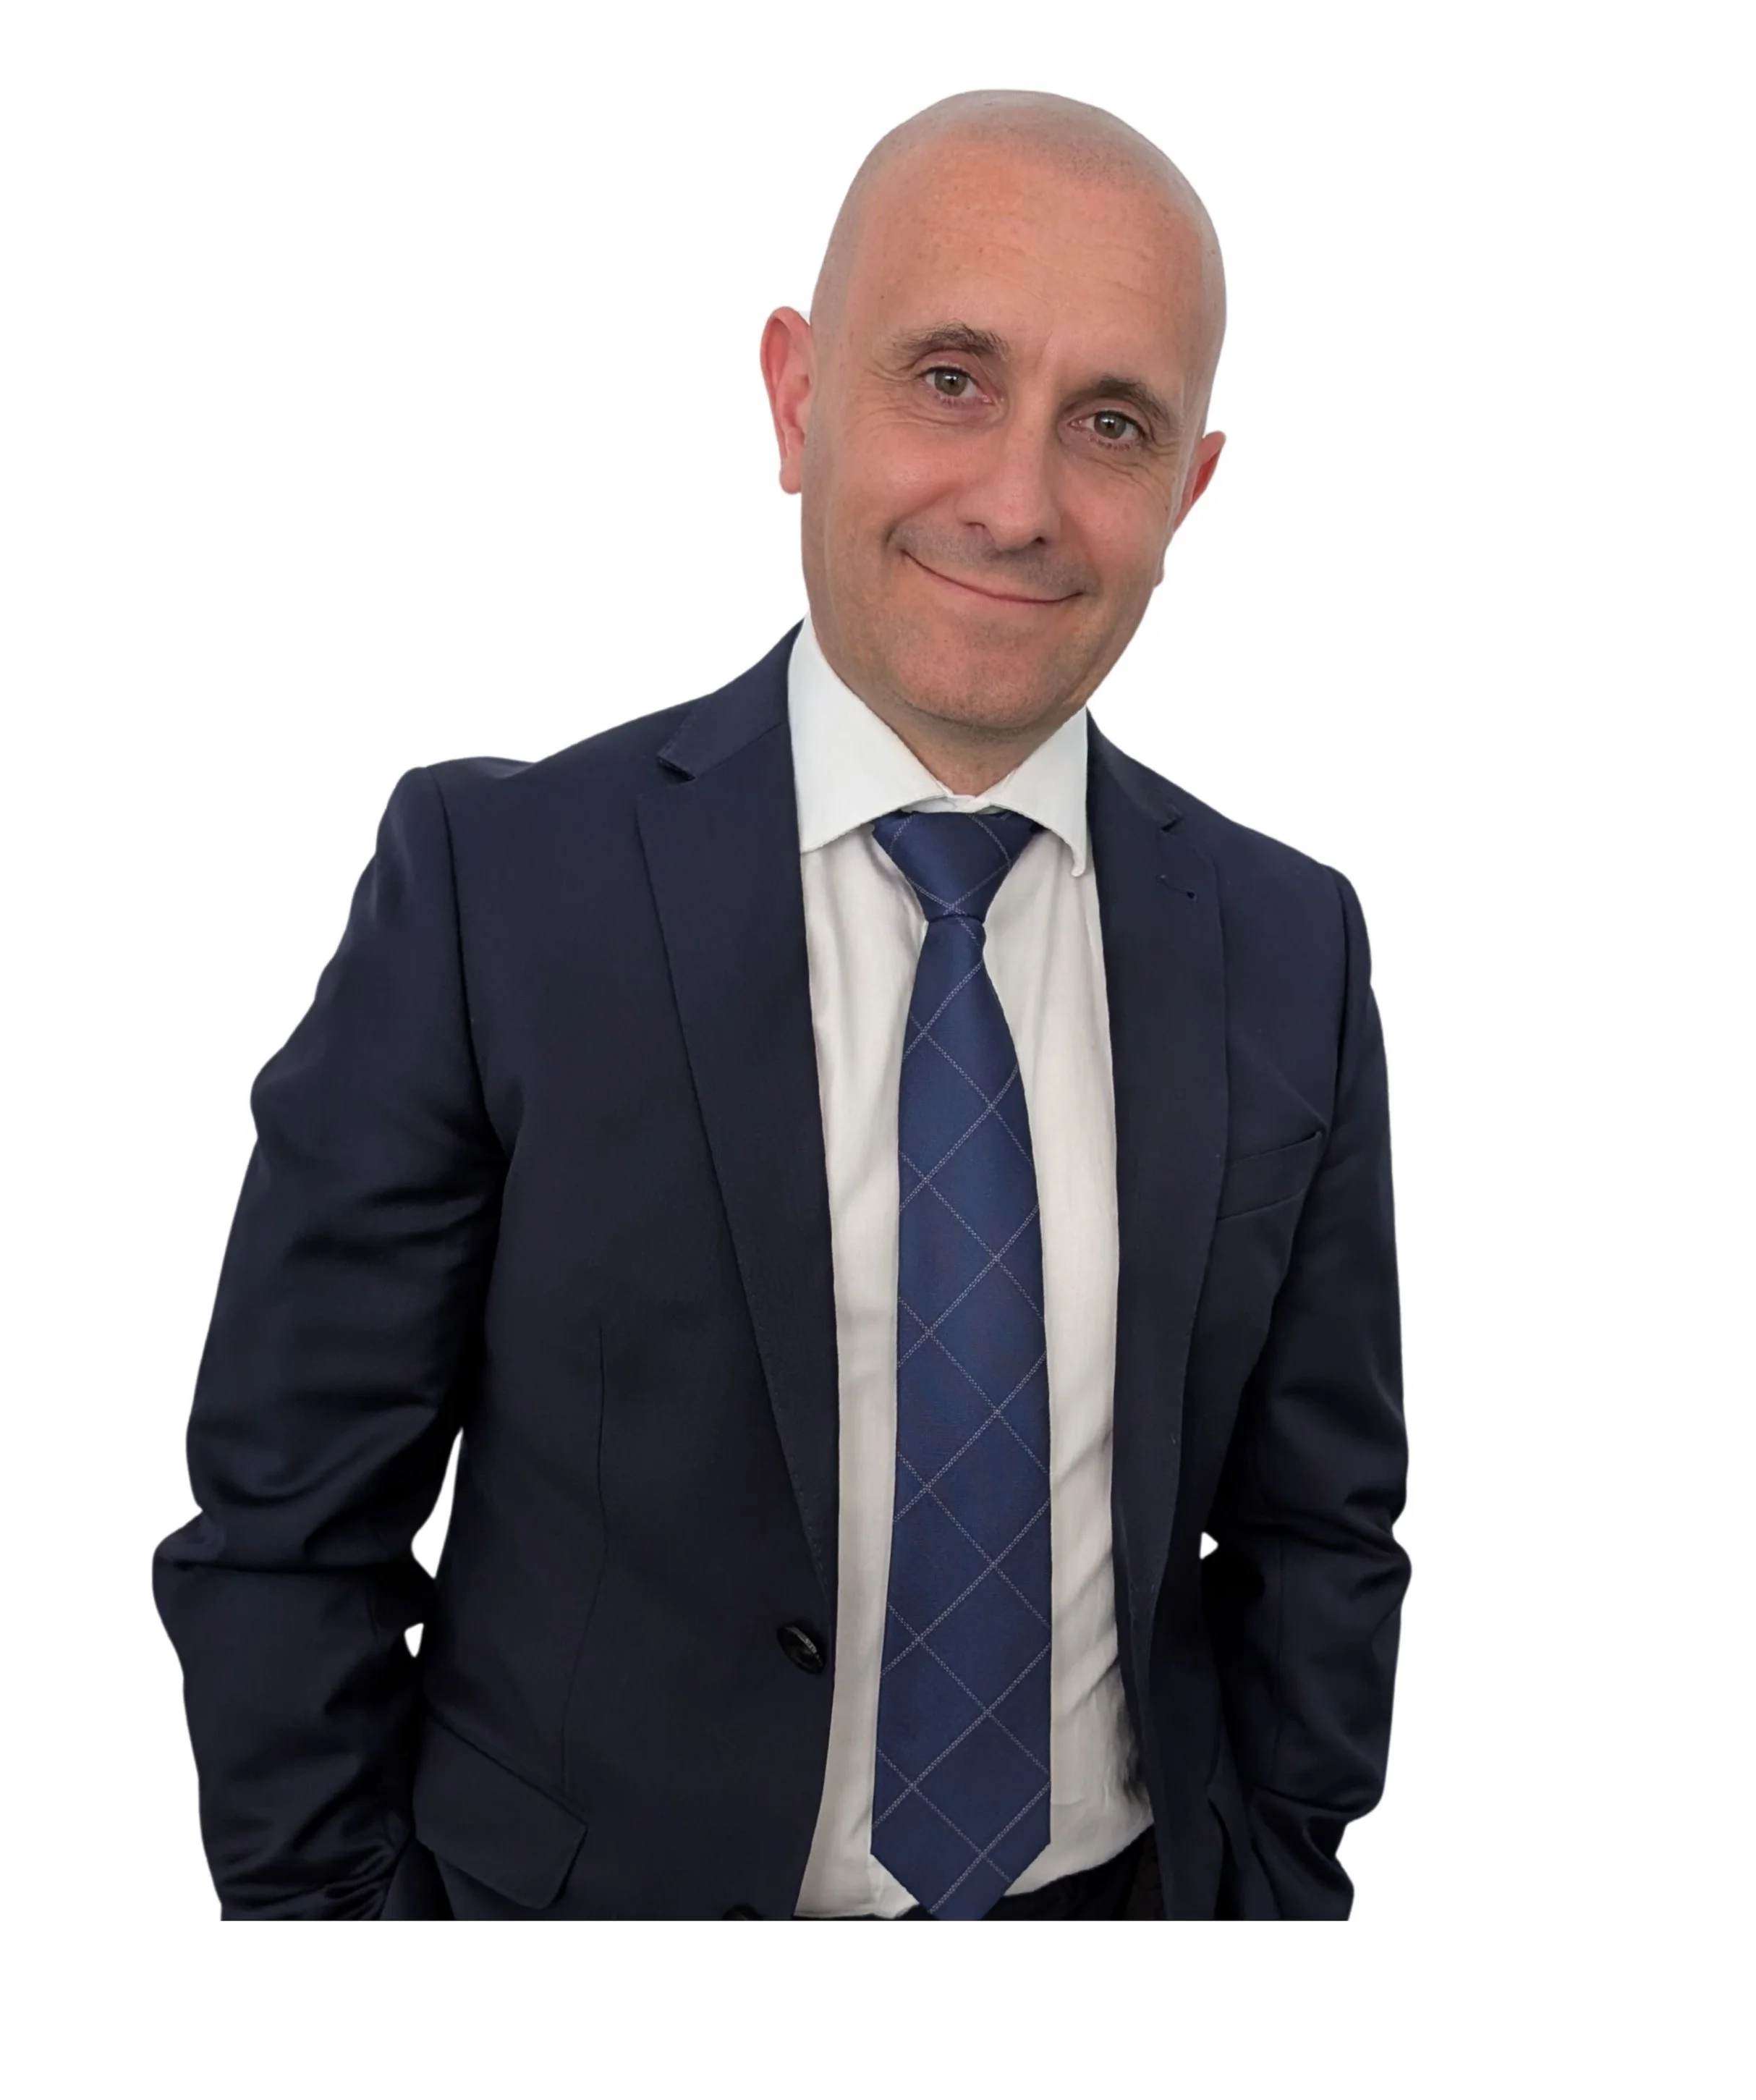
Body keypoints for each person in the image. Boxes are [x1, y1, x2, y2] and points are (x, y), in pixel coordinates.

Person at [153, 88, 1408, 1921]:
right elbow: (284, 1533)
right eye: (952, 378)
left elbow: (1319, 1532)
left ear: (1184, 491)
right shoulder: (498, 888)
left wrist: (1269, 1902)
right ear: (798, 398)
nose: (1016, 498)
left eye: (1110, 424)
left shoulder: (1288, 949)